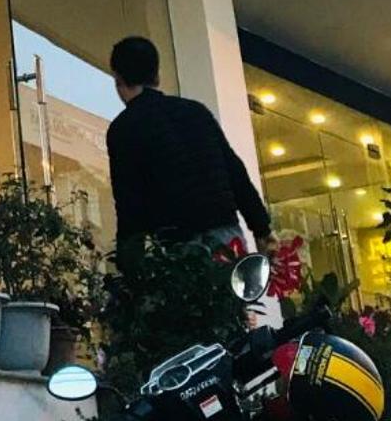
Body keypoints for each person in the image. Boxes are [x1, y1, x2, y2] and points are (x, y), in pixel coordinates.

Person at [106, 34, 273, 257]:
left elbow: (129, 203)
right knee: (228, 280)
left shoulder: (123, 129)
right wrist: (262, 229)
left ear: (118, 78)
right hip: (226, 237)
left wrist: (130, 260)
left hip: (179, 245)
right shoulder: (196, 112)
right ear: (156, 75)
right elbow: (235, 173)